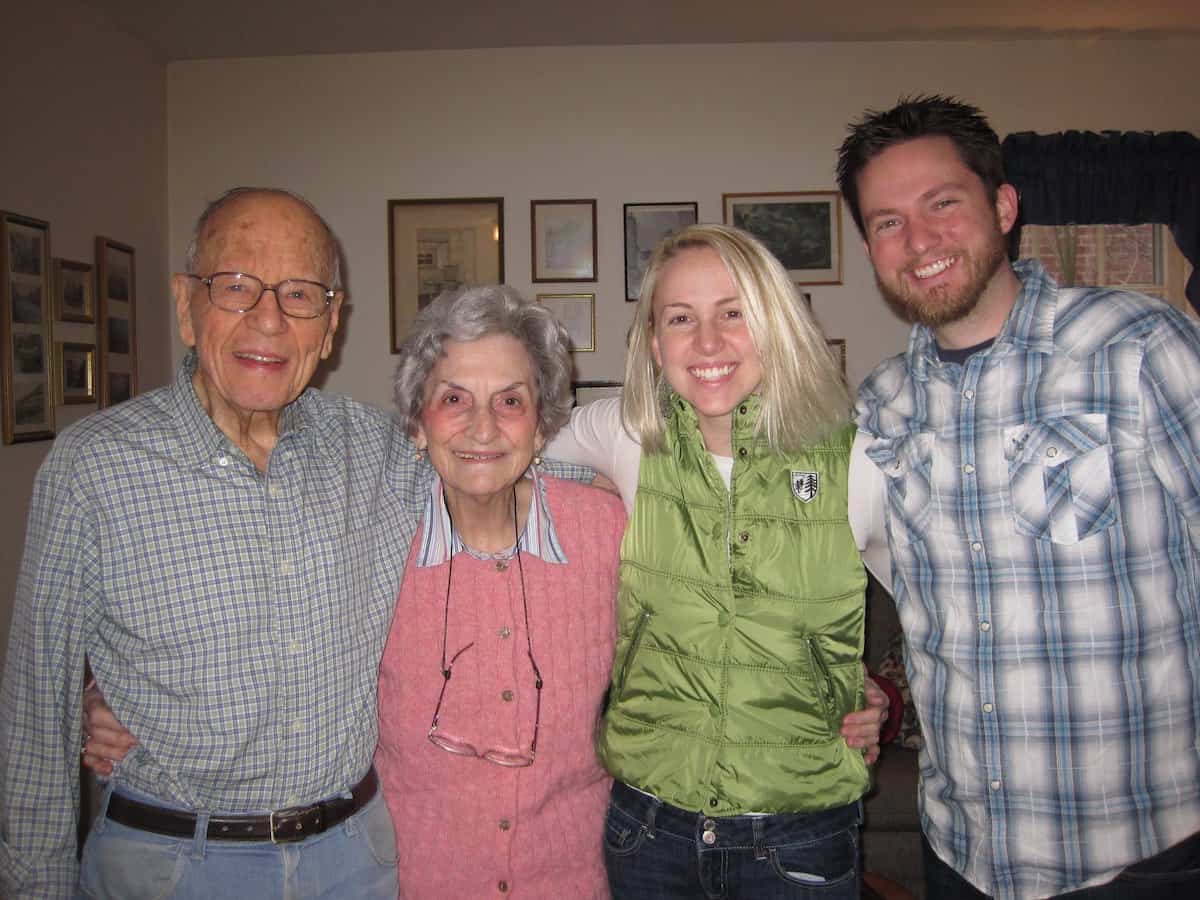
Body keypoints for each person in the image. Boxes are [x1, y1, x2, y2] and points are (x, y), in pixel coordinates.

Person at [0, 187, 587, 900]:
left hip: (354, 862)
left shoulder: (379, 449)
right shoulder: (93, 467)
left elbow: (496, 453)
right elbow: (36, 710)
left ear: (331, 322)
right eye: (237, 287)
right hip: (170, 864)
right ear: (186, 305)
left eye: (300, 294)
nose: (270, 319)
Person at [836, 95, 1200, 899]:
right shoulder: (881, 405)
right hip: (963, 851)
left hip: (1143, 856)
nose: (919, 241)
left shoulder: (1140, 347)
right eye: (888, 222)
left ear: (1002, 206)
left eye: (943, 204)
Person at [546, 223, 892, 898]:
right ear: (654, 341)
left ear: (775, 323)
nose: (707, 342)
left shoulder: (857, 458)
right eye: (681, 319)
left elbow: (950, 616)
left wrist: (884, 697)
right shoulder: (624, 433)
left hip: (798, 838)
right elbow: (507, 451)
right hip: (648, 831)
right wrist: (587, 497)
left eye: (733, 313)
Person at [370, 285, 625, 896]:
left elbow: (698, 640)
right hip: (418, 881)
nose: (482, 427)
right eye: (454, 398)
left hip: (573, 879)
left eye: (510, 401)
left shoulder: (609, 532)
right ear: (416, 421)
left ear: (542, 427)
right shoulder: (371, 543)